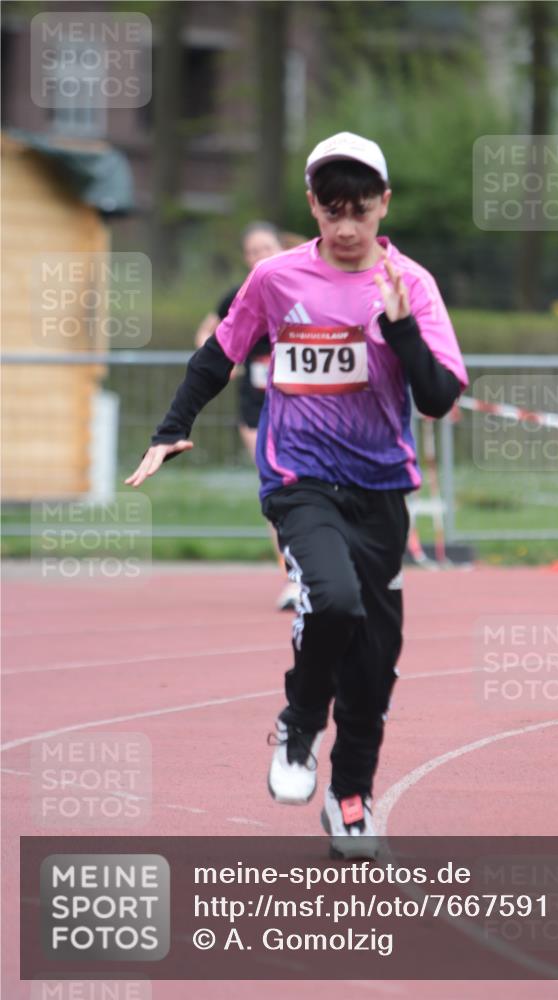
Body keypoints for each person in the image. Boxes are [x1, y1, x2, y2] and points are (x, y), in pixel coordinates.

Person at [125, 131, 468, 858]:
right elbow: (219, 353)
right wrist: (171, 427)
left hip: (380, 485)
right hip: (298, 477)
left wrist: (400, 329)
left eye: (361, 210)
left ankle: (349, 798)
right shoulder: (276, 278)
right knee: (333, 599)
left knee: (375, 663)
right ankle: (300, 719)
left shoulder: (413, 284)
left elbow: (437, 399)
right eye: (332, 210)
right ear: (311, 205)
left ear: (384, 205)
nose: (346, 228)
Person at [194, 222, 301, 612]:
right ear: (246, 258)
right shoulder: (236, 297)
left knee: (310, 487)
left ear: (281, 248)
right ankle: (293, 577)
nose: (260, 256)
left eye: (266, 248)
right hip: (256, 409)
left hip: (303, 409)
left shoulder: (302, 290)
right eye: (253, 251)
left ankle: (326, 565)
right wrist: (221, 360)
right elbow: (206, 332)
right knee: (278, 490)